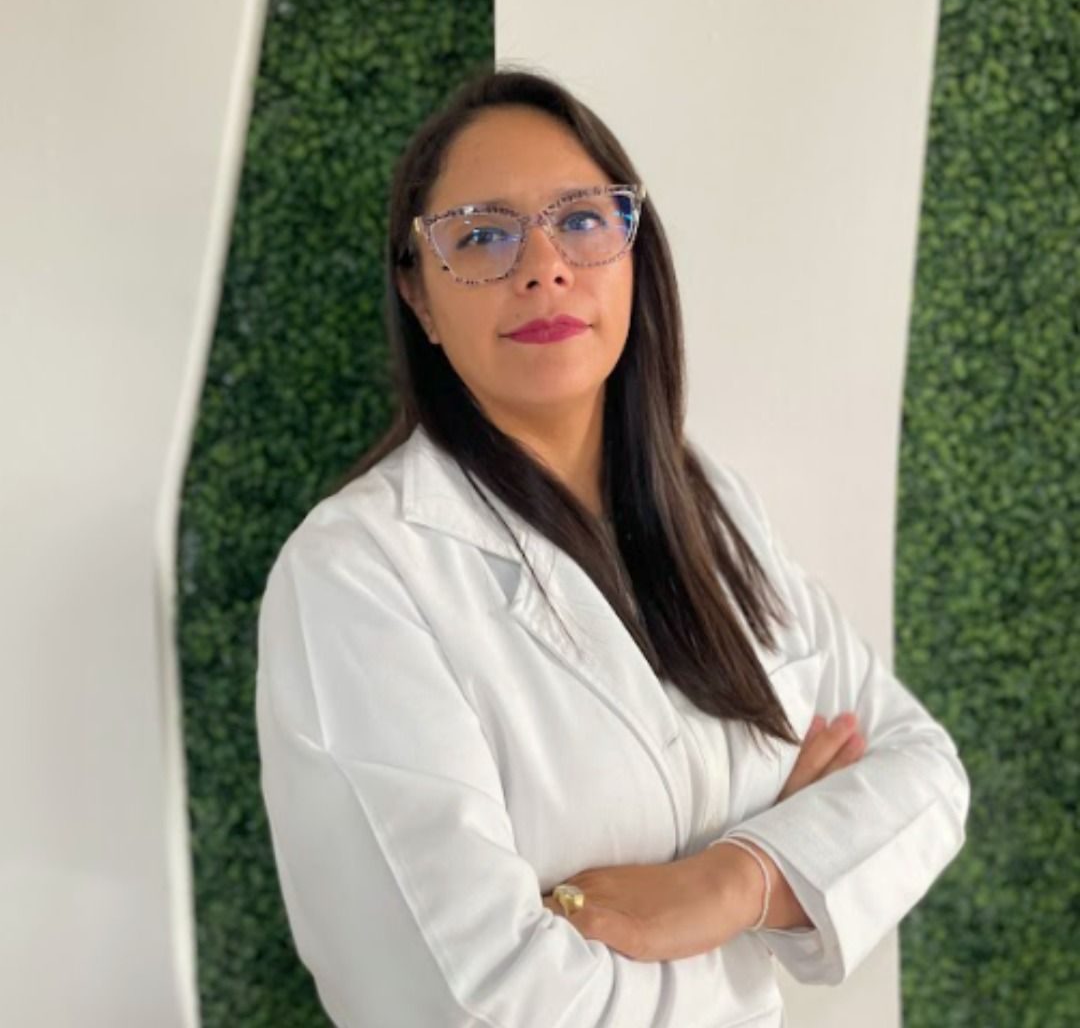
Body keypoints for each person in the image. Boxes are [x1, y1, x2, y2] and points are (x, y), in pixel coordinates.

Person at [255, 66, 969, 1027]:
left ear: (636, 251)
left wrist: (730, 883)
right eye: (483, 235)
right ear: (419, 297)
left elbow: (922, 771)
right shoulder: (358, 575)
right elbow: (477, 1000)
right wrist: (792, 871)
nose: (544, 266)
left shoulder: (713, 508)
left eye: (583, 219)